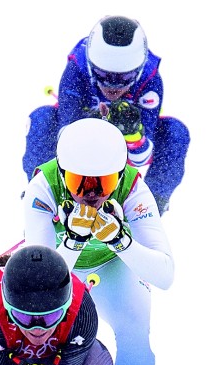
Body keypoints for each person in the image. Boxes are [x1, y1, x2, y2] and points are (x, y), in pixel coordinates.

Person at [22, 117, 174, 365]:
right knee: (30, 328)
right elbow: (38, 283)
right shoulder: (42, 188)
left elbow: (165, 274)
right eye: (78, 183)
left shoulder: (134, 191)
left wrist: (122, 242)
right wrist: (73, 241)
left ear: (120, 175)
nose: (90, 194)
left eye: (103, 184)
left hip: (110, 268)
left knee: (138, 338)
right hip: (60, 270)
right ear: (62, 173)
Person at [22, 15, 190, 216]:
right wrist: (89, 126)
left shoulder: (150, 80)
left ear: (137, 71)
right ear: (92, 66)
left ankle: (147, 210)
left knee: (176, 132)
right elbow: (62, 144)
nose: (112, 86)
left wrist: (132, 134)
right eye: (102, 75)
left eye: (125, 78)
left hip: (121, 154)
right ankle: (44, 199)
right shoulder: (77, 67)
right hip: (81, 149)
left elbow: (142, 159)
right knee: (42, 118)